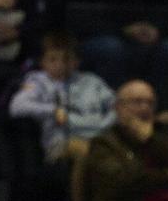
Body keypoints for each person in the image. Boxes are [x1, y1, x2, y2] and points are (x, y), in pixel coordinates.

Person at [8, 32, 115, 167]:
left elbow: (117, 106)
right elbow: (17, 107)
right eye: (53, 59)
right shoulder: (38, 82)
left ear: (77, 62)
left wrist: (106, 123)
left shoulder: (92, 81)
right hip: (63, 142)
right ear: (43, 62)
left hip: (99, 136)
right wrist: (53, 110)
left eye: (67, 59)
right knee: (86, 151)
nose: (60, 65)